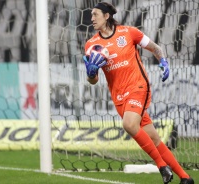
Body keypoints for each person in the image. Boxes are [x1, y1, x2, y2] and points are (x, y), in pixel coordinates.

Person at [83, 2, 194, 184]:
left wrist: (164, 62)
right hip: (118, 96)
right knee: (153, 138)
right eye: (91, 15)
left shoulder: (129, 32)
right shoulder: (91, 45)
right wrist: (91, 73)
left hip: (138, 86)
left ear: (106, 16)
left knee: (129, 124)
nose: (92, 18)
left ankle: (161, 166)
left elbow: (155, 48)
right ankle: (185, 178)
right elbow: (93, 81)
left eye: (95, 15)